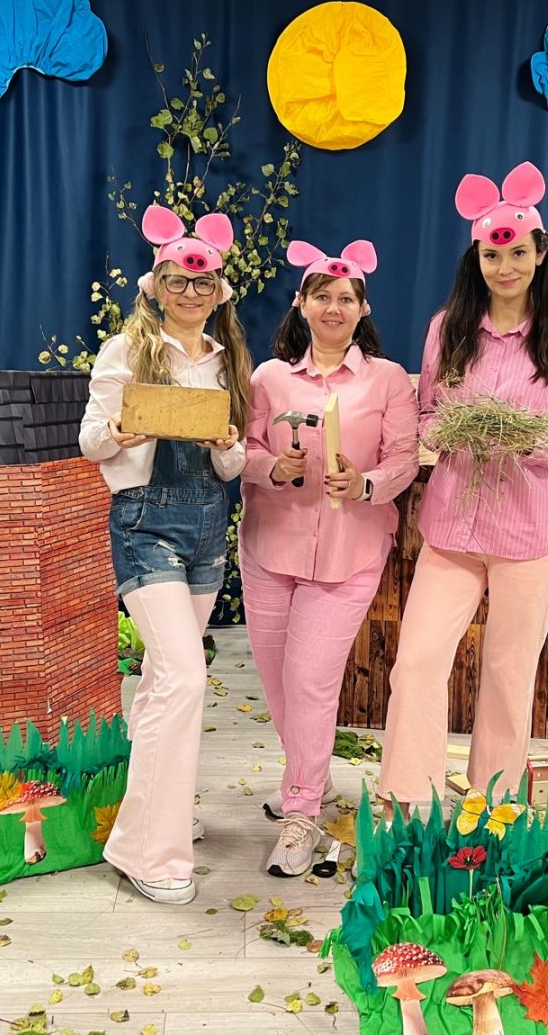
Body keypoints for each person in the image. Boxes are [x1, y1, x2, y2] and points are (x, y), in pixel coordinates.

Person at [377, 162, 548, 814]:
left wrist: (523, 440)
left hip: (530, 533)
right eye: (492, 254)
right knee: (417, 661)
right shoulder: (448, 329)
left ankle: (493, 804)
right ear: (476, 258)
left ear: (540, 254)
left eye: (517, 253)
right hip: (454, 529)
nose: (505, 267)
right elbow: (427, 417)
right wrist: (454, 430)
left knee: (507, 672)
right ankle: (406, 797)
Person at [78, 205, 251, 905]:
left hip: (207, 527)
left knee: (160, 682)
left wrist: (227, 446)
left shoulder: (226, 360)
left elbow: (237, 464)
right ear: (156, 286)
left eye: (202, 282)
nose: (190, 292)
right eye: (177, 280)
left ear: (218, 292)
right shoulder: (125, 350)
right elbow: (91, 441)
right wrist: (121, 430)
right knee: (183, 677)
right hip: (144, 524)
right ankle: (152, 852)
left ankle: (155, 818)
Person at [239, 239, 418, 876]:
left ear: (363, 308)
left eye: (346, 298)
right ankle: (307, 777)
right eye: (322, 296)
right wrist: (272, 467)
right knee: (278, 683)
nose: (334, 307)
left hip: (349, 552)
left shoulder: (388, 380)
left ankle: (302, 812)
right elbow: (241, 453)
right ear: (301, 303)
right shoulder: (268, 378)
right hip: (270, 546)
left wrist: (366, 484)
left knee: (310, 681)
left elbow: (405, 460)